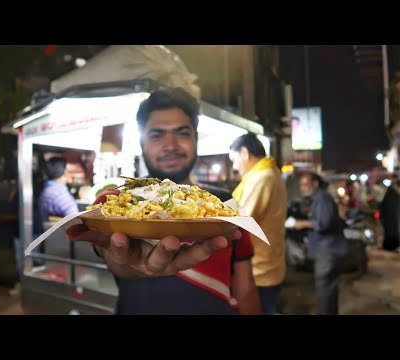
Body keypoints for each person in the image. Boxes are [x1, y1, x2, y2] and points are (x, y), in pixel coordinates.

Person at [67, 87, 262, 315]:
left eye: (182, 133)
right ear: (142, 143)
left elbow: (245, 287)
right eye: (157, 135)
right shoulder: (115, 203)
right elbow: (113, 258)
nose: (171, 145)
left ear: (196, 139)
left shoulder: (226, 207)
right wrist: (132, 262)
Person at [229, 133, 287, 315]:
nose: (234, 166)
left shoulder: (262, 178)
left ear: (245, 153)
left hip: (259, 269)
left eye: (234, 159)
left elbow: (240, 219)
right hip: (268, 263)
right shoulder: (272, 172)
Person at [292, 172, 347, 315]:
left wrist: (302, 223)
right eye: (301, 185)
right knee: (329, 291)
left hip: (327, 252)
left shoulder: (322, 198)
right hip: (329, 250)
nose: (302, 188)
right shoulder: (318, 199)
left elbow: (323, 224)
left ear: (315, 183)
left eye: (305, 184)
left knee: (324, 292)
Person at [379, 180, 400, 252]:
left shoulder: (391, 195)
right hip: (391, 220)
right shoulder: (392, 196)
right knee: (391, 232)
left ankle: (391, 246)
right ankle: (391, 246)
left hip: (390, 220)